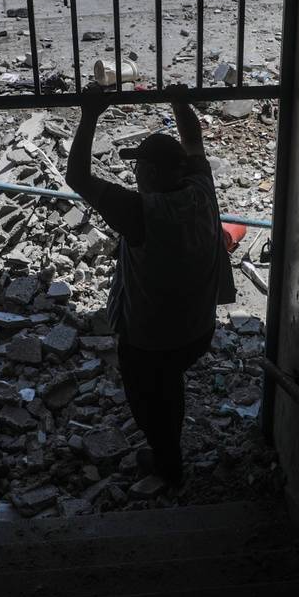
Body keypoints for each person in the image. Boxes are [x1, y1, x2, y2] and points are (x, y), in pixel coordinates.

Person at [65, 83, 237, 486]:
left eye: (138, 167)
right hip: (197, 330)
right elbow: (193, 140)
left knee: (150, 402)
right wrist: (179, 102)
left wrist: (89, 114)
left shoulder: (140, 212)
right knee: (169, 386)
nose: (134, 173)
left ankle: (168, 463)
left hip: (150, 340)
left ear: (153, 173)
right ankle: (167, 450)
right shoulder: (202, 190)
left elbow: (77, 176)